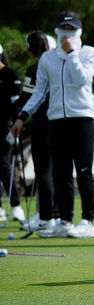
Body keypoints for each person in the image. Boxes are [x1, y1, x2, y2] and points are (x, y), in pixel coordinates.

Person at [11, 11, 94, 238]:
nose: (67, 33)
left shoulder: (89, 53)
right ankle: (65, 221)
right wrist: (23, 116)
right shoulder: (47, 59)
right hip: (57, 120)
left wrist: (71, 54)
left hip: (83, 118)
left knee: (84, 171)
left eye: (71, 29)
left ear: (79, 31)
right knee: (61, 173)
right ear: (57, 30)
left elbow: (81, 80)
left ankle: (87, 222)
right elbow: (39, 92)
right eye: (63, 29)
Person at [16, 31, 59, 231]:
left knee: (44, 171)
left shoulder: (34, 70)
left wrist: (18, 117)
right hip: (61, 121)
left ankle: (46, 216)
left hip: (43, 122)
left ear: (30, 50)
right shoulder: (58, 65)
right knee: (58, 171)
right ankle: (56, 215)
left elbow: (26, 98)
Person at [0, 43, 25, 223]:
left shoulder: (10, 74)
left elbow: (16, 103)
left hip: (6, 126)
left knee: (3, 166)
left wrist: (16, 124)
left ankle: (16, 206)